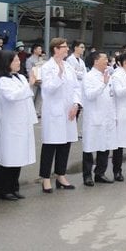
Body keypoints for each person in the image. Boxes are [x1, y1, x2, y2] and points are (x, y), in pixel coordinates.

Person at [0, 50, 37, 201]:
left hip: (22, 122)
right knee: (9, 158)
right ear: (7, 63)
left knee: (18, 157)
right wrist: (29, 85)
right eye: (16, 61)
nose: (19, 63)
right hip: (10, 124)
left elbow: (27, 98)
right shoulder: (3, 81)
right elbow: (12, 96)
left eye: (19, 60)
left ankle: (14, 187)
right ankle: (5, 190)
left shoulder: (19, 77)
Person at [39, 37, 81, 193]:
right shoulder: (47, 67)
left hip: (69, 112)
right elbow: (48, 89)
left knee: (65, 145)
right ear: (56, 49)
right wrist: (59, 75)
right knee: (50, 145)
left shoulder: (69, 66)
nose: (67, 49)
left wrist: (76, 104)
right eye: (64, 47)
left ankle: (61, 175)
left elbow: (77, 88)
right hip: (53, 113)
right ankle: (45, 178)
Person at [81, 52, 117, 185]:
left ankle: (100, 173)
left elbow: (112, 96)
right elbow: (90, 95)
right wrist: (102, 84)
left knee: (105, 146)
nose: (107, 61)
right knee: (90, 147)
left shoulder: (108, 75)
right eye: (104, 59)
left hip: (107, 116)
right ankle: (87, 175)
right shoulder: (89, 77)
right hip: (94, 117)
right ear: (96, 61)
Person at [25, 43, 44, 117]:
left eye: (40, 49)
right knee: (32, 96)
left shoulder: (41, 59)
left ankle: (37, 111)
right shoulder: (30, 60)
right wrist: (34, 78)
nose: (40, 50)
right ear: (34, 50)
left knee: (40, 97)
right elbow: (29, 70)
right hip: (34, 80)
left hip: (41, 80)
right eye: (39, 49)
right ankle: (29, 112)